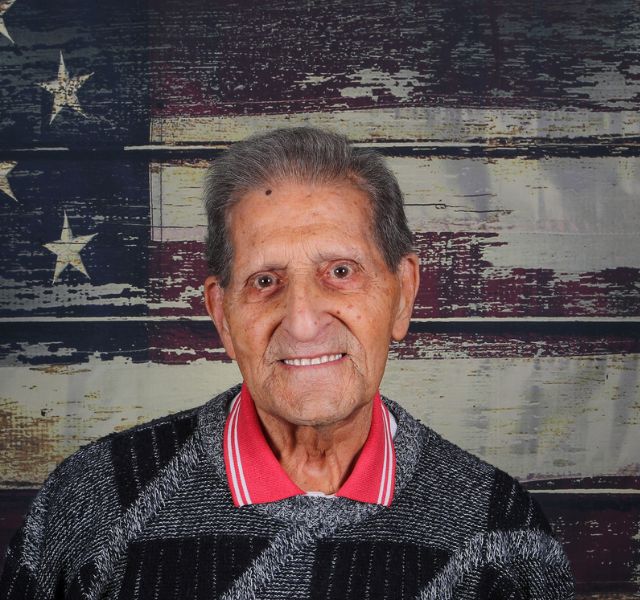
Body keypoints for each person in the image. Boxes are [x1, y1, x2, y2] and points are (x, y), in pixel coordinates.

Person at [0, 127, 574, 599]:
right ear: (222, 316)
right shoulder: (93, 499)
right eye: (265, 280)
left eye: (341, 272)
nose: (302, 322)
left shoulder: (499, 528)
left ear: (402, 294)